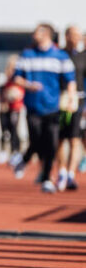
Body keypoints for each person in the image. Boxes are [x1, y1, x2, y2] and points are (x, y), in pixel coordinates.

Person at [11, 24, 77, 193]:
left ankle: (47, 178)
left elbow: (70, 80)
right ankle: (25, 159)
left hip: (52, 108)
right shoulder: (27, 54)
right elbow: (16, 78)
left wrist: (71, 98)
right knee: (36, 140)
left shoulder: (60, 56)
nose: (34, 34)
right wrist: (28, 85)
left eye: (38, 31)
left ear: (47, 34)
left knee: (51, 144)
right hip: (33, 107)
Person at [58, 25, 85, 191]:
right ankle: (61, 171)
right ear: (67, 36)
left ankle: (71, 174)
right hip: (59, 102)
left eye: (79, 35)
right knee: (60, 139)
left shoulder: (83, 57)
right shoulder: (59, 55)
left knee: (75, 139)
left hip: (78, 101)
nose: (77, 38)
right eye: (74, 35)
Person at [0, 54, 25, 165]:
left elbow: (22, 91)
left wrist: (17, 95)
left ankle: (15, 152)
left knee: (14, 129)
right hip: (6, 107)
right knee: (5, 129)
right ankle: (4, 150)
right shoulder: (7, 79)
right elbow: (3, 91)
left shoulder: (20, 78)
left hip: (16, 107)